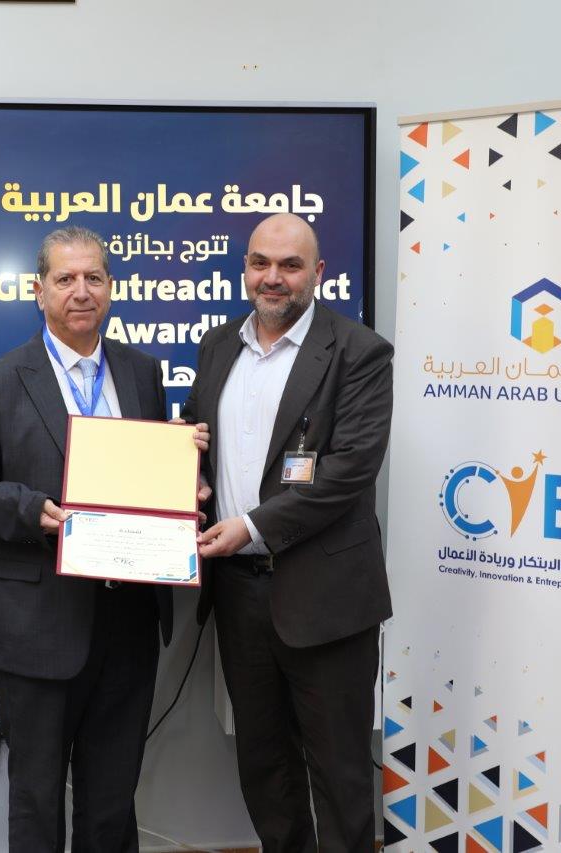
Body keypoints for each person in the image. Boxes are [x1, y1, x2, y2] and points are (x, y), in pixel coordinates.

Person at [0, 225, 208, 851]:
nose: (81, 291)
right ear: (39, 291)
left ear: (110, 288)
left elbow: (142, 477)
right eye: (65, 279)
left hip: (129, 621)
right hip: (38, 624)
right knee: (36, 800)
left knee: (112, 801)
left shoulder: (142, 372)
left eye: (94, 278)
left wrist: (182, 480)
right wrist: (30, 510)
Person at [183, 212, 394, 852]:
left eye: (290, 265)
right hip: (239, 595)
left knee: (340, 772)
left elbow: (349, 471)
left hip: (325, 596)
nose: (272, 278)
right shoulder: (217, 346)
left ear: (318, 273)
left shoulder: (359, 352)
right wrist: (191, 481)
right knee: (264, 765)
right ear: (245, 268)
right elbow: (200, 444)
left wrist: (249, 526)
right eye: (260, 263)